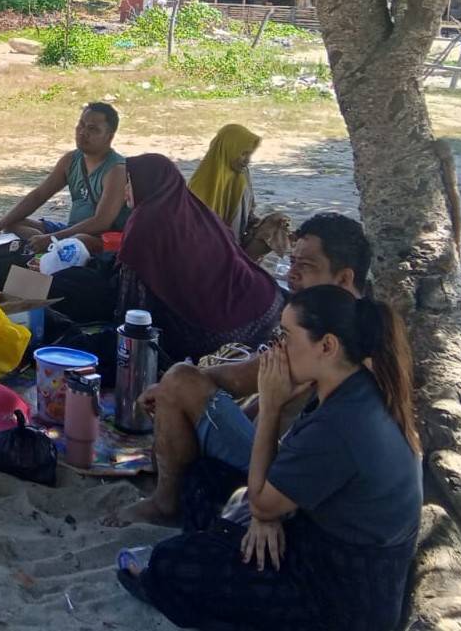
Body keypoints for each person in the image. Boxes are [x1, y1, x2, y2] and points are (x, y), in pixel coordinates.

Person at [120, 286, 422, 631]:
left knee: (169, 564)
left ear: (327, 346)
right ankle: (222, 545)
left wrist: (271, 405)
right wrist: (268, 517)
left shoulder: (342, 425)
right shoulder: (350, 387)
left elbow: (263, 501)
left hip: (335, 596)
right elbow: (279, 486)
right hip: (313, 538)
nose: (278, 348)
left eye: (287, 336)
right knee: (202, 478)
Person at [106, 211, 372, 527]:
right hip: (282, 456)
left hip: (289, 473)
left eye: (306, 266)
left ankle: (166, 504)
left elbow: (248, 382)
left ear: (344, 278)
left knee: (180, 380)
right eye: (294, 263)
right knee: (181, 385)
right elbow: (257, 378)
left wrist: (176, 388)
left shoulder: (334, 338)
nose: (292, 276)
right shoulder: (346, 320)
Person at [117, 154, 283, 363]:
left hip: (228, 331)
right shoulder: (193, 207)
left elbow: (133, 309)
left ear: (144, 184)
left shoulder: (144, 223)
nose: (125, 191)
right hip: (267, 303)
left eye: (129, 183)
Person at [0, 102, 130, 255]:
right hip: (69, 231)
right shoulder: (71, 160)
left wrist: (52, 238)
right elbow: (39, 195)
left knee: (79, 241)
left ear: (109, 136)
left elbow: (102, 222)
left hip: (99, 238)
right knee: (13, 224)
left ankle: (48, 250)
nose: (83, 132)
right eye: (81, 125)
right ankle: (46, 251)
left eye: (93, 129)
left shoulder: (116, 170)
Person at [187, 124, 289, 260]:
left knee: (276, 222)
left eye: (250, 154)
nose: (247, 160)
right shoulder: (201, 182)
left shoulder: (242, 175)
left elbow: (247, 216)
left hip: (236, 242)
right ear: (229, 150)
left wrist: (261, 224)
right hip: (212, 248)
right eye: (243, 154)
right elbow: (192, 228)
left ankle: (242, 264)